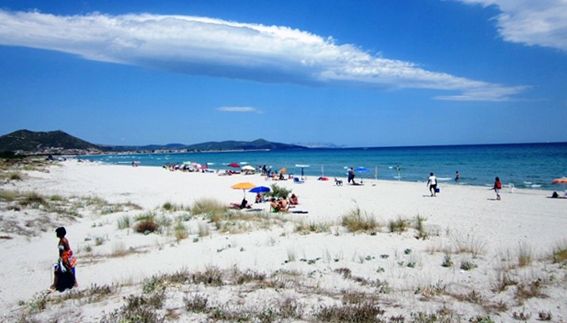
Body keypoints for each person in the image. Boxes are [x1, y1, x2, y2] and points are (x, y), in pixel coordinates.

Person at [51, 227, 77, 292]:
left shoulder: (61, 242)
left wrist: (60, 259)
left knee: (57, 270)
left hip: (65, 258)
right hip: (69, 256)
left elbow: (61, 251)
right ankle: (74, 282)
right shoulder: (65, 239)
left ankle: (54, 284)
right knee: (71, 270)